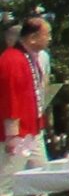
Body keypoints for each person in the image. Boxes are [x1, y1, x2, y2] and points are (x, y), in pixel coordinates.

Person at [0, 19, 45, 180]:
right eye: (46, 34)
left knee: (41, 179)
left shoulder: (29, 58)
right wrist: (12, 135)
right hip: (19, 135)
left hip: (32, 132)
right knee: (8, 182)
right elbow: (10, 98)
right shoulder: (12, 60)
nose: (49, 38)